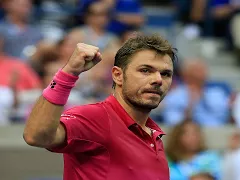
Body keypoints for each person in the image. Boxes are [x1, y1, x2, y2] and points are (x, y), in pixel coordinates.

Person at [23, 34, 177, 180]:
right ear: (118, 75)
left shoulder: (154, 136)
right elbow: (35, 136)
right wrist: (68, 73)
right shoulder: (96, 117)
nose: (158, 79)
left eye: (165, 74)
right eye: (145, 70)